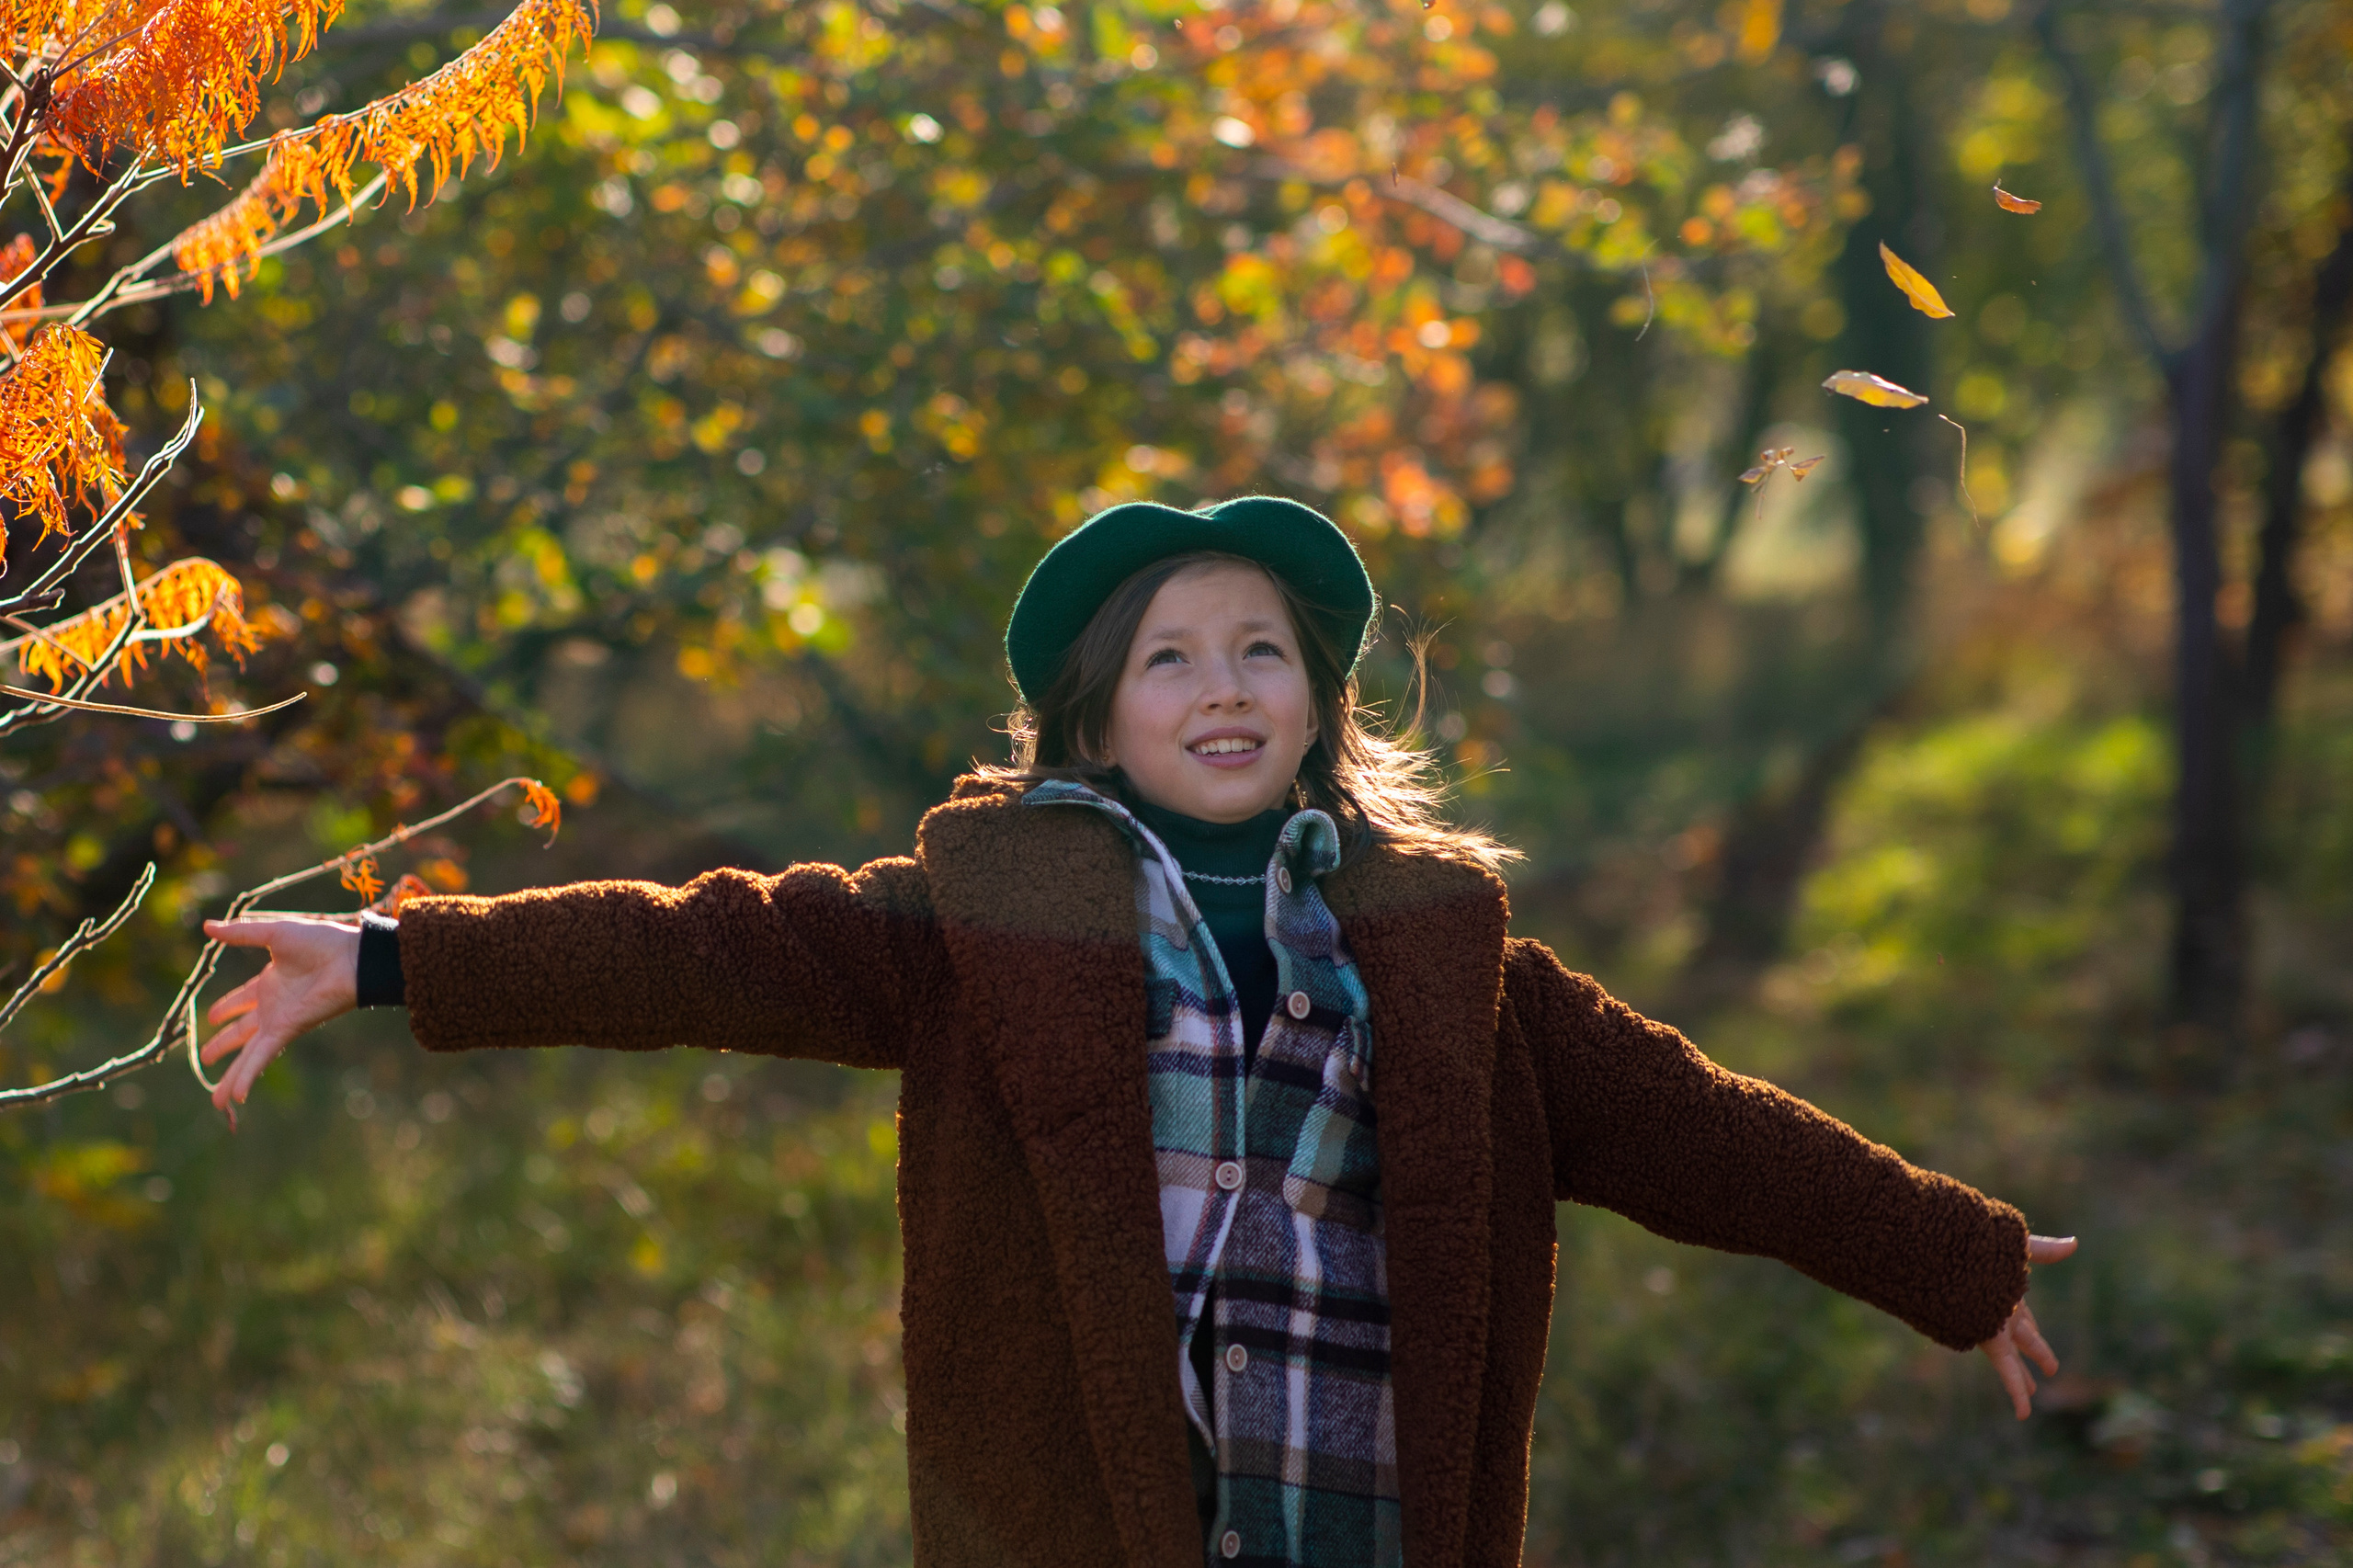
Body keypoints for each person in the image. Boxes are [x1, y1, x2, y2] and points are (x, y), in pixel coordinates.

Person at [200, 496, 2076, 1568]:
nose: (1221, 685)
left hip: (1361, 1515)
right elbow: (708, 947)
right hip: (1084, 1518)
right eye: (1169, 657)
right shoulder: (988, 913)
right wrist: (395, 958)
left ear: (1318, 701)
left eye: (1260, 649)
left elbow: (1691, 1122)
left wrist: (1947, 1253)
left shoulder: (1443, 945)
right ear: (1094, 722)